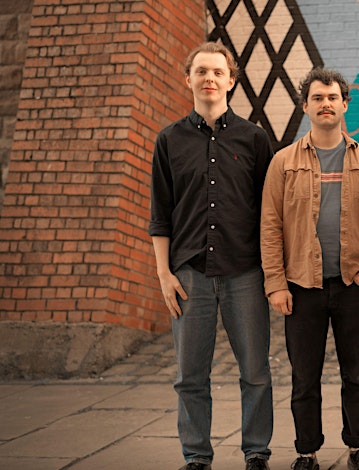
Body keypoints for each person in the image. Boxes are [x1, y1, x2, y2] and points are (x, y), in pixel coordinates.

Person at [149, 41, 274, 470]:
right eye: (201, 71)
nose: (210, 79)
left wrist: (273, 272)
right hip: (189, 274)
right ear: (188, 79)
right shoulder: (168, 140)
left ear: (231, 81)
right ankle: (197, 456)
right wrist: (164, 274)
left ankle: (256, 452)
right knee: (189, 376)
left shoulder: (254, 139)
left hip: (246, 272)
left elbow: (269, 212)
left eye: (218, 72)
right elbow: (160, 214)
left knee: (255, 371)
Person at [260, 67, 359, 470]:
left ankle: (357, 447)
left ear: (345, 104)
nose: (326, 104)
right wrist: (276, 283)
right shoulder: (283, 162)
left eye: (333, 97)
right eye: (317, 98)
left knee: (356, 374)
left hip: (354, 286)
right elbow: (270, 225)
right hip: (301, 287)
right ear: (305, 106)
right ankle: (307, 452)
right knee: (304, 378)